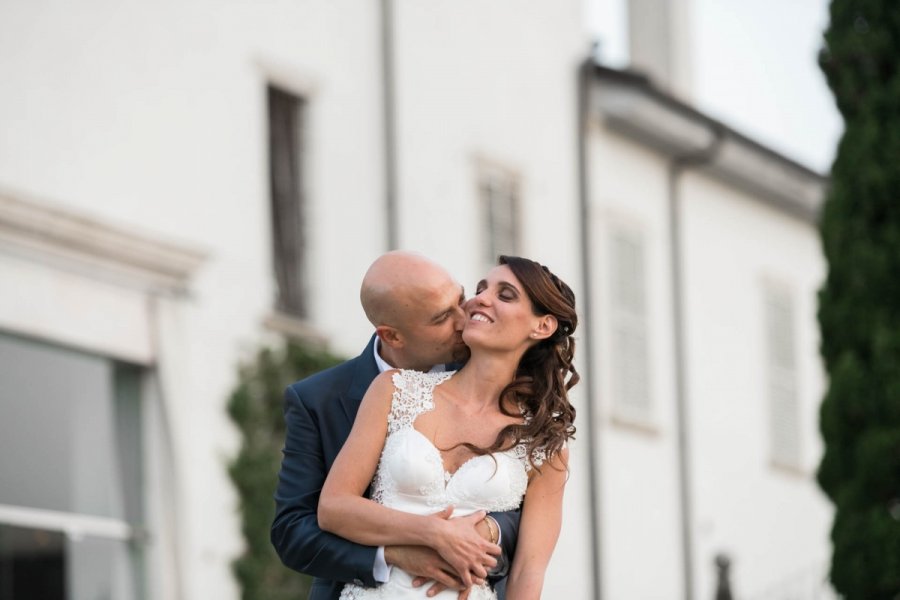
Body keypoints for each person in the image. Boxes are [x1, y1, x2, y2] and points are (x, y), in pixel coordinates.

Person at [318, 255, 578, 600]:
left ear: (542, 327)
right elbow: (334, 508)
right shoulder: (394, 390)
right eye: (481, 288)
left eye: (505, 295)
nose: (479, 299)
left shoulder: (544, 441)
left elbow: (528, 571)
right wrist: (434, 533)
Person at [272, 251, 522, 600]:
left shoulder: (495, 383)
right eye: (441, 318)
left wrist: (484, 531)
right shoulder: (317, 400)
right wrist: (393, 556)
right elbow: (292, 531)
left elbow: (522, 512)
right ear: (393, 336)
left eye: (460, 300)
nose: (464, 321)